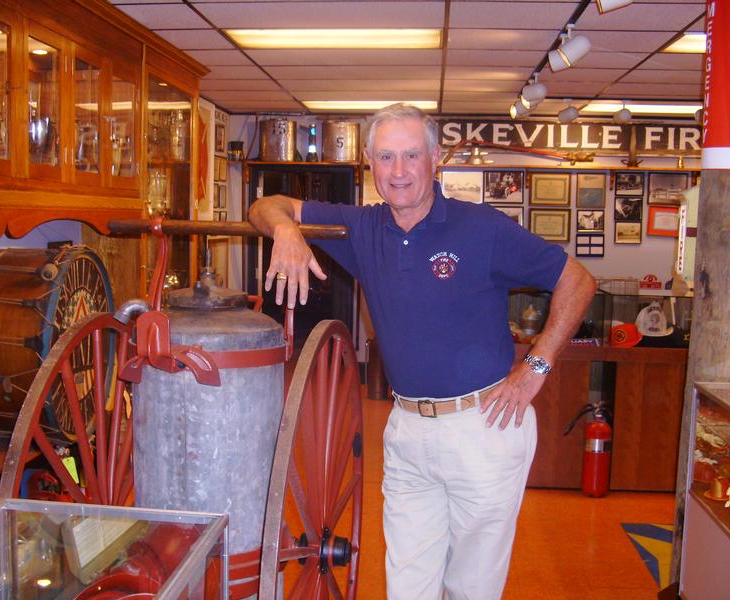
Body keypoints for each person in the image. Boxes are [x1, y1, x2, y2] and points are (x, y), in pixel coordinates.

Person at [249, 103, 596, 600]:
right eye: (386, 157)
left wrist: (536, 366)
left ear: (435, 159)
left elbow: (578, 280)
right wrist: (285, 230)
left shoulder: (482, 228)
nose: (399, 171)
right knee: (408, 584)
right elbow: (267, 205)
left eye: (411, 155)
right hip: (407, 429)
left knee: (471, 588)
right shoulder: (362, 227)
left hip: (485, 426)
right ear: (370, 163)